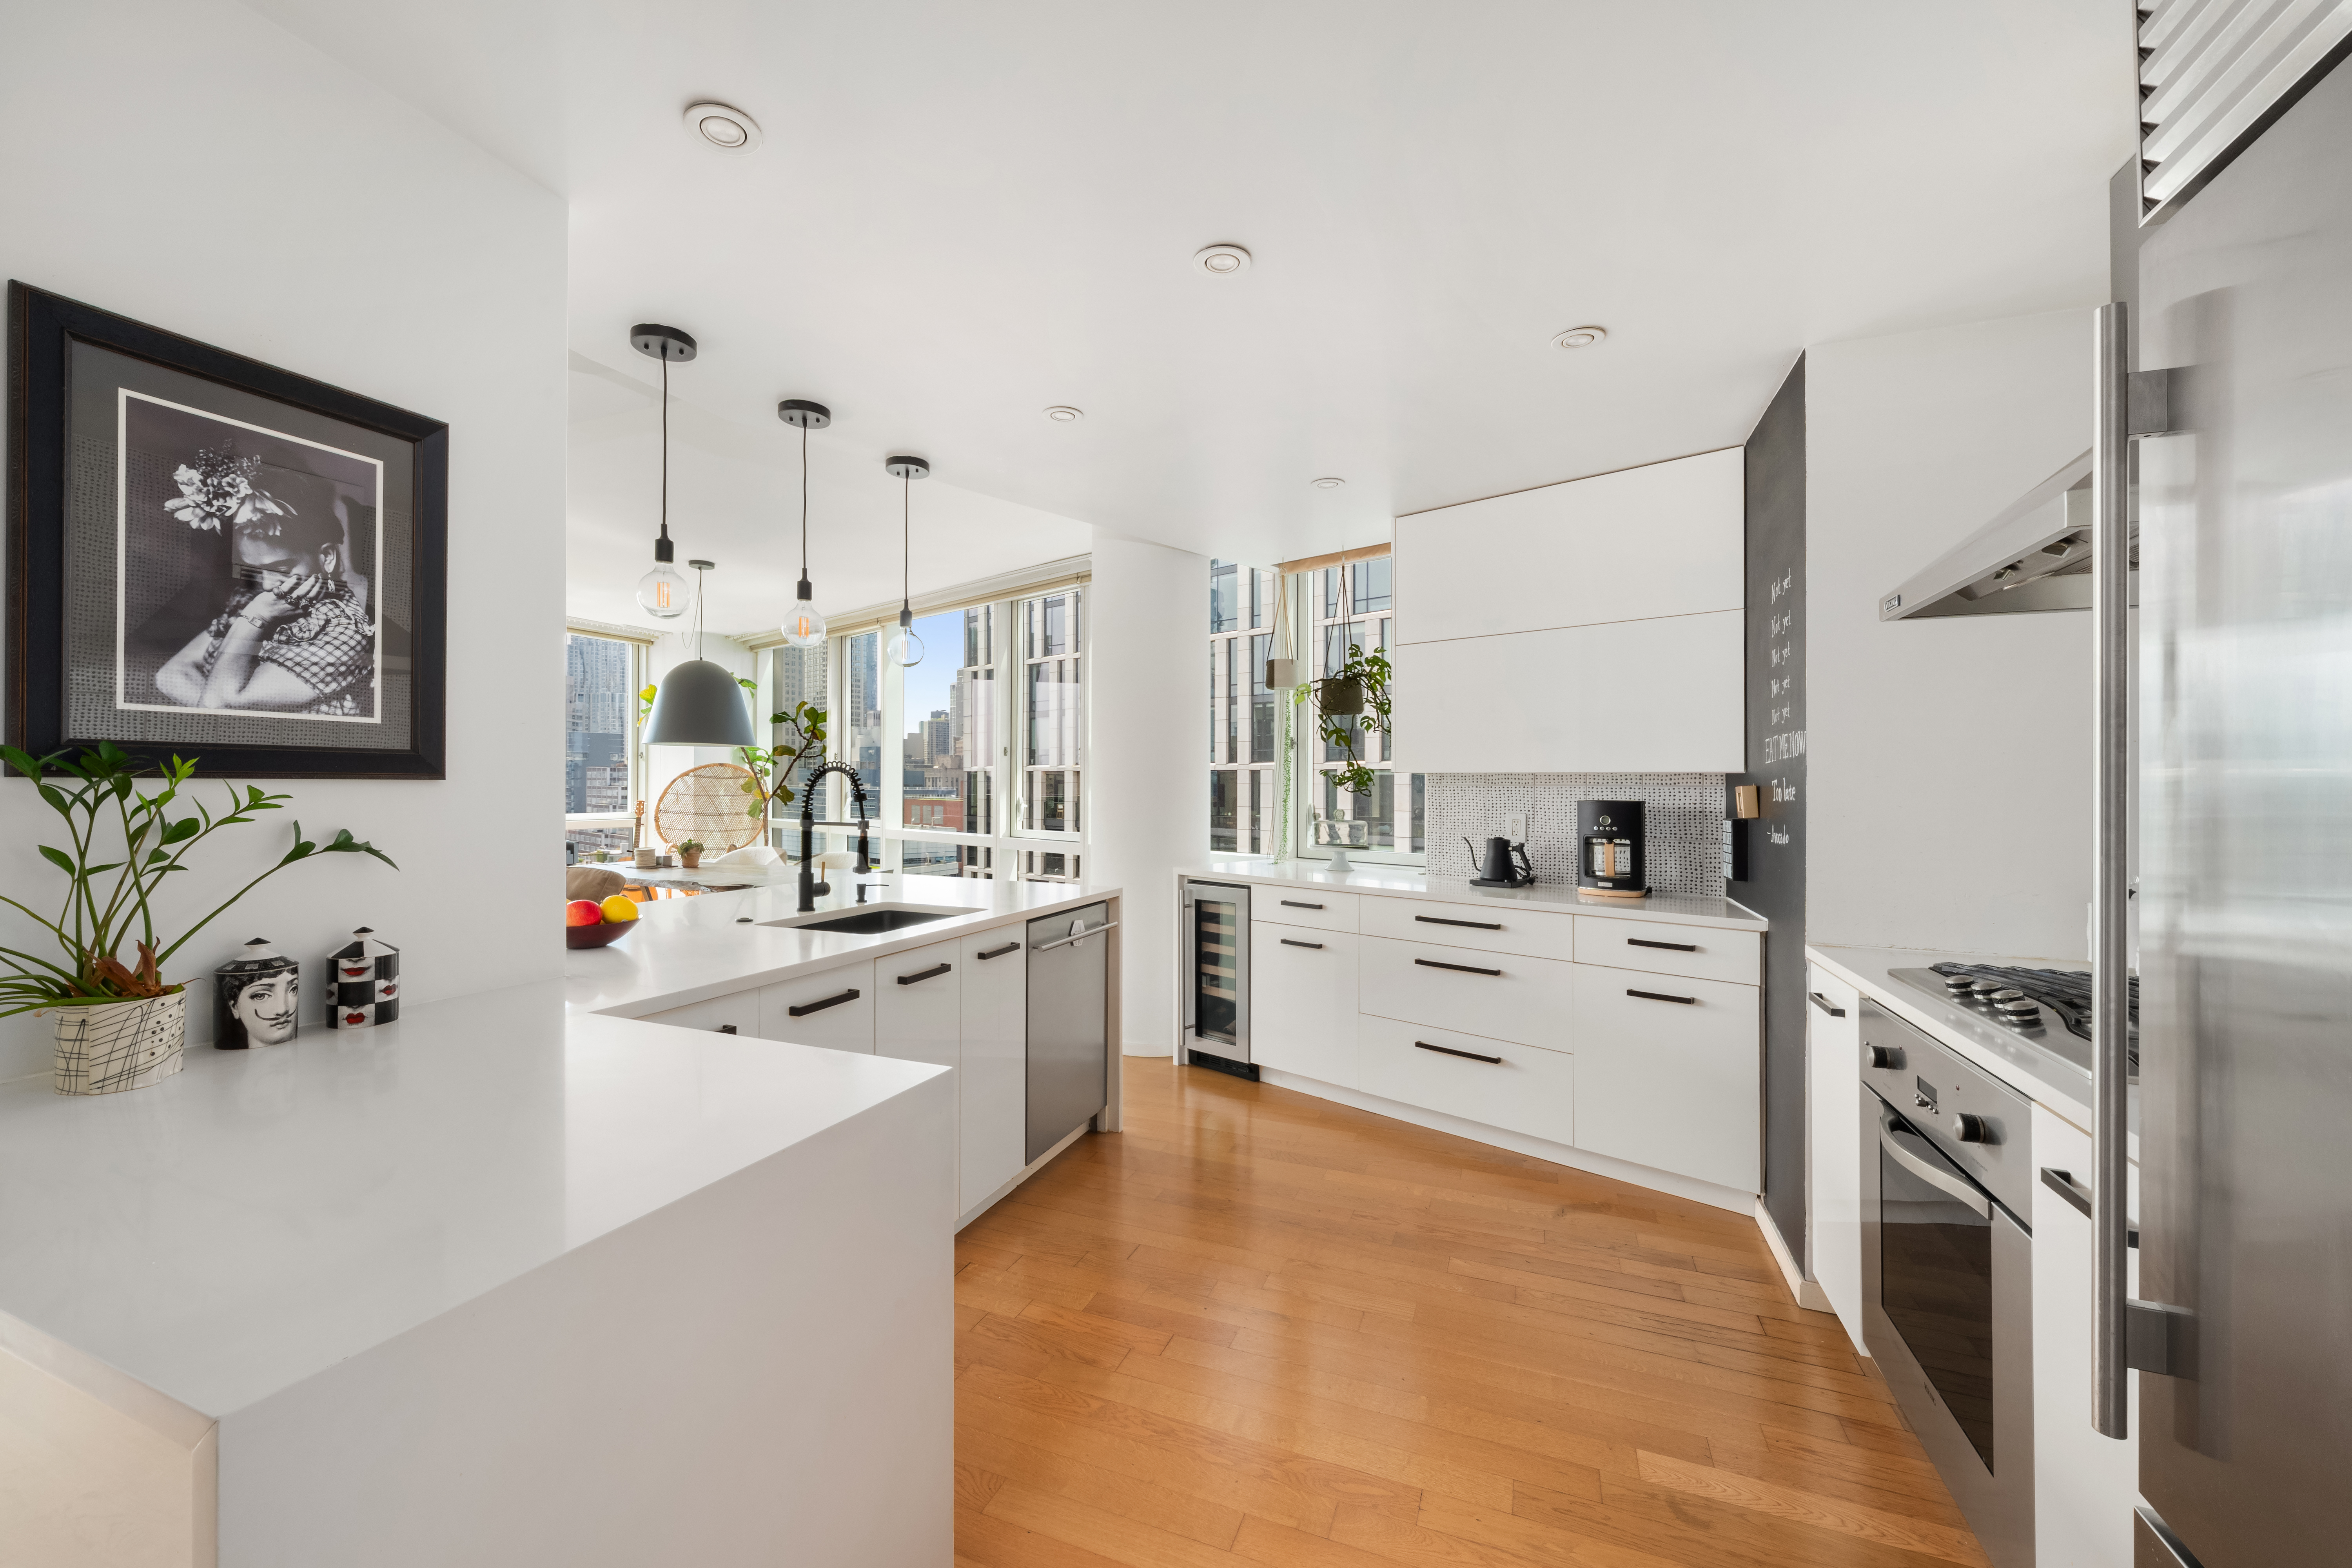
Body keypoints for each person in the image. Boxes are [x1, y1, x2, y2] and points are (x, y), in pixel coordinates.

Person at [154, 469, 376, 716]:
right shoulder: (252, 599)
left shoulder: (345, 631)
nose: (268, 585)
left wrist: (255, 619)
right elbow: (170, 675)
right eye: (255, 570)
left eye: (281, 569)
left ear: (327, 557)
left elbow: (217, 704)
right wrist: (255, 612)